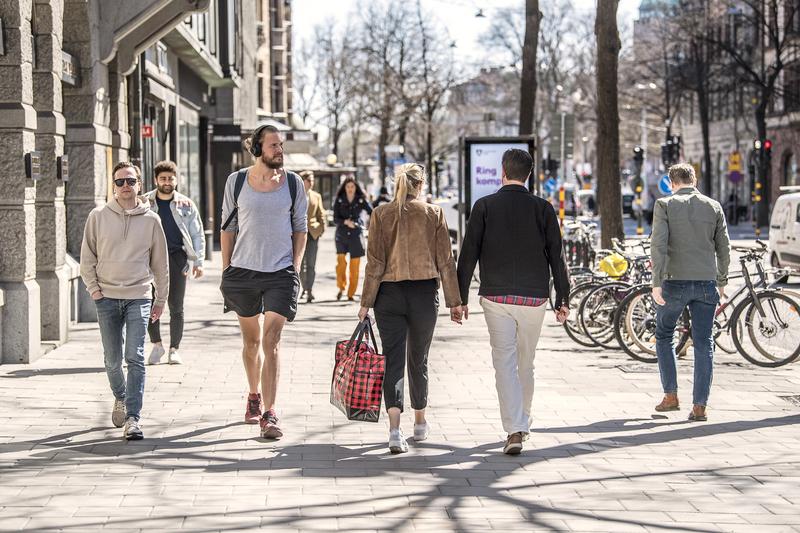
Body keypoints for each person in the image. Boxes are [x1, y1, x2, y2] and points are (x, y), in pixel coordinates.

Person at [457, 149, 570, 456]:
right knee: (526, 362)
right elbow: (557, 256)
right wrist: (563, 297)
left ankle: (514, 429)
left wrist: (460, 297)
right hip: (535, 297)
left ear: (502, 173)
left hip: (496, 297)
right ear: (529, 175)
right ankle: (522, 421)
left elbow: (469, 254)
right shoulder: (543, 208)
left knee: (504, 363)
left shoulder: (484, 206)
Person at [358, 163, 463, 454]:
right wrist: (455, 302)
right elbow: (445, 261)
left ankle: (394, 430)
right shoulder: (433, 214)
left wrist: (366, 303)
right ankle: (419, 423)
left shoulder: (381, 214)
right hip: (423, 294)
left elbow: (374, 263)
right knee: (419, 358)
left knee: (393, 360)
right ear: (421, 185)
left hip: (388, 295)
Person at [219, 124, 308, 439]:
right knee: (251, 342)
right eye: (273, 146)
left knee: (271, 342)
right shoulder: (237, 181)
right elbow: (227, 226)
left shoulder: (294, 184)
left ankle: (270, 413)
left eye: (281, 145)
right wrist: (227, 268)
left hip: (280, 273)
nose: (279, 151)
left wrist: (294, 268)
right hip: (242, 272)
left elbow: (301, 228)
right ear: (257, 148)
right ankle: (253, 394)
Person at [80, 161, 169, 440]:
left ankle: (133, 417)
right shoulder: (97, 216)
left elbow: (161, 264)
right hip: (105, 297)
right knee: (111, 360)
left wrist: (160, 299)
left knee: (136, 357)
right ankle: (120, 396)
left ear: (139, 184)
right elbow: (87, 257)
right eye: (120, 182)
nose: (126, 186)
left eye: (131, 181)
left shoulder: (152, 220)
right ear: (114, 186)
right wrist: (94, 289)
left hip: (139, 297)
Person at [651, 163, 730, 422]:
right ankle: (699, 407)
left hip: (674, 282)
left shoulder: (665, 205)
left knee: (664, 335)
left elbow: (659, 245)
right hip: (706, 282)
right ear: (694, 180)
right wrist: (721, 279)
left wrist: (657, 282)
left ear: (672, 183)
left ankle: (671, 396)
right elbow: (724, 247)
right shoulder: (714, 206)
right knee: (704, 342)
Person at [142, 160, 205, 365]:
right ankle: (157, 345)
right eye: (163, 179)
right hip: (150, 259)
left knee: (176, 305)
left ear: (176, 180)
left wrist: (199, 262)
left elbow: (197, 234)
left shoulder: (186, 204)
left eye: (170, 178)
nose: (167, 182)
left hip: (177, 258)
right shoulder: (144, 202)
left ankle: (174, 349)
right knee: (151, 304)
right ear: (156, 180)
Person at [333, 176, 372, 301]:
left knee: (354, 267)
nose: (350, 189)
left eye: (352, 187)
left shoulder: (360, 200)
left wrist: (367, 223)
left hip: (356, 235)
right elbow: (335, 219)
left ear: (356, 188)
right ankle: (341, 286)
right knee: (341, 264)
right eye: (348, 187)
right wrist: (345, 222)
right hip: (341, 235)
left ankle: (351, 293)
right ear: (344, 188)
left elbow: (372, 211)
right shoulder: (339, 200)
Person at [299, 171, 325, 303]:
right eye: (309, 180)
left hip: (313, 234)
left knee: (311, 264)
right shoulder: (296, 195)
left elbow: (321, 214)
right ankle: (304, 287)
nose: (311, 182)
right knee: (300, 264)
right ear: (303, 181)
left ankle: (309, 290)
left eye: (313, 180)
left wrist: (321, 229)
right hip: (298, 234)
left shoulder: (316, 196)